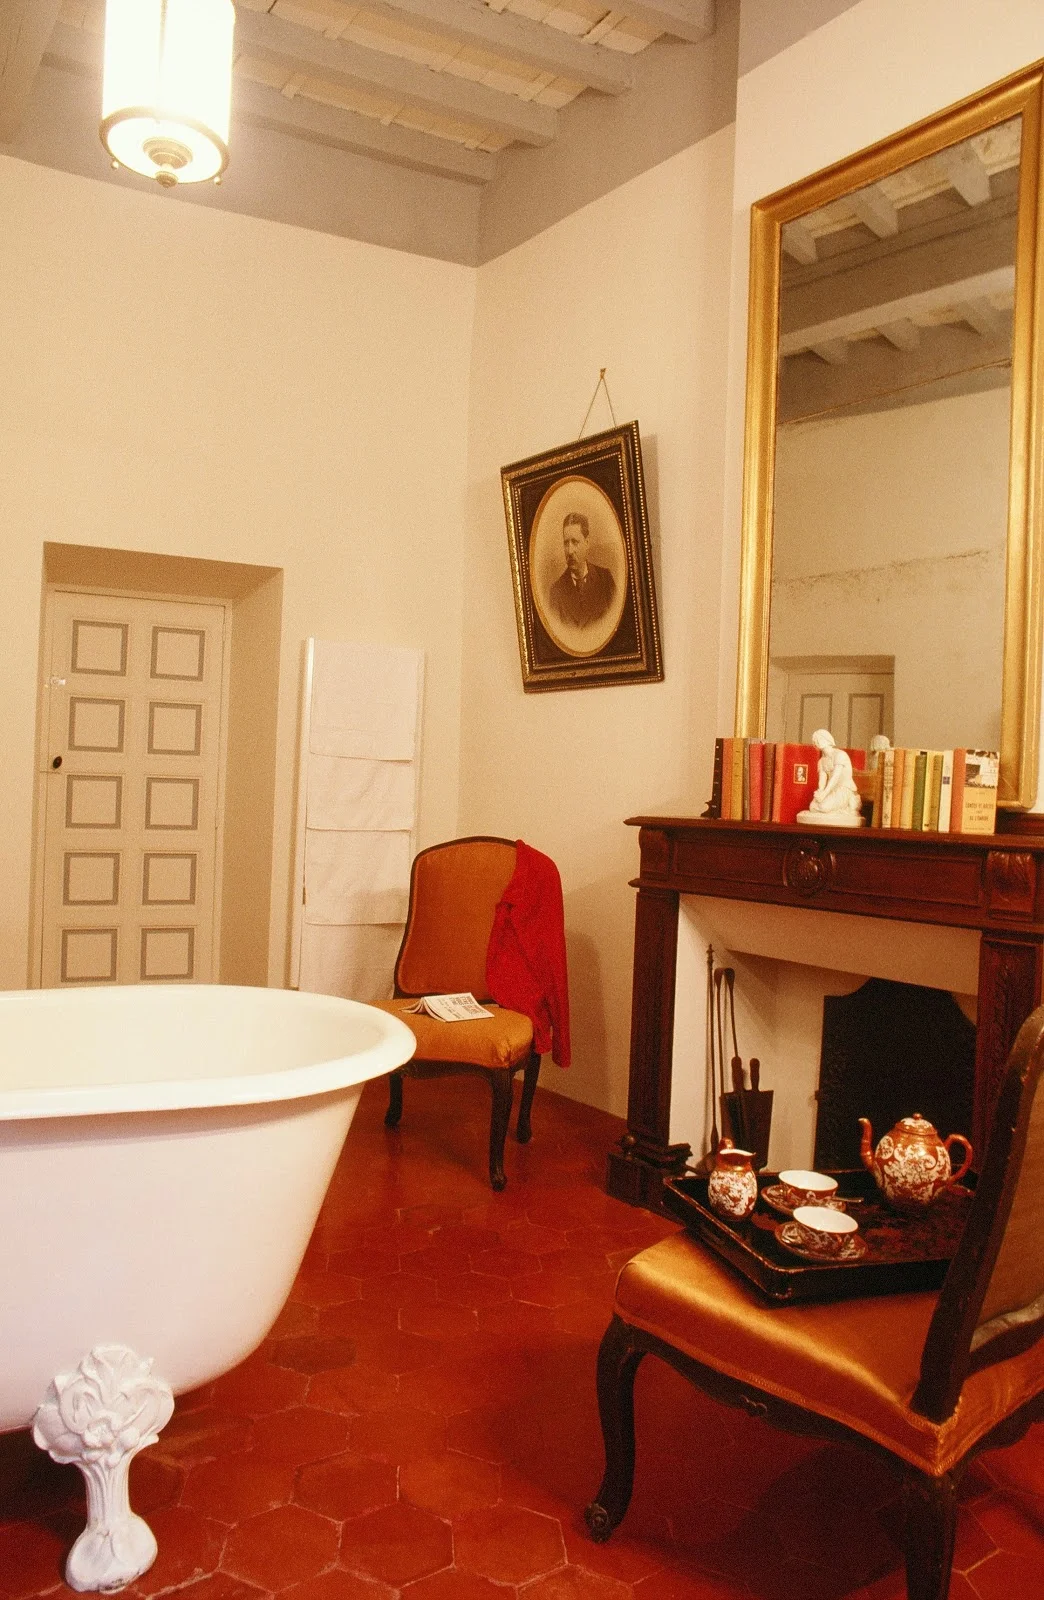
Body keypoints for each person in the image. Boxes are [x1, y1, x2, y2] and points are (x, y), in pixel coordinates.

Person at [548, 511, 616, 630]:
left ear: (587, 542)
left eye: (575, 542)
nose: (569, 551)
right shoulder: (556, 592)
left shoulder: (605, 579)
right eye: (566, 543)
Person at [801, 728, 863, 824]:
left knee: (824, 807)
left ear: (827, 739)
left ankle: (846, 807)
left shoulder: (840, 755)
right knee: (813, 806)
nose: (817, 742)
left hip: (844, 788)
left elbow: (835, 777)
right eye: (815, 740)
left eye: (819, 739)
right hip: (831, 790)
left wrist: (824, 794)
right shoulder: (821, 761)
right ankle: (834, 807)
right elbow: (822, 779)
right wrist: (820, 792)